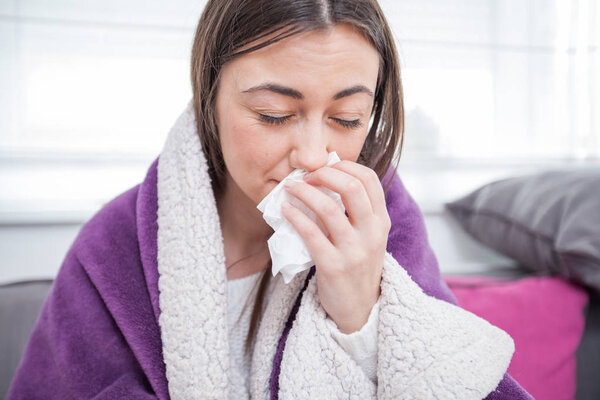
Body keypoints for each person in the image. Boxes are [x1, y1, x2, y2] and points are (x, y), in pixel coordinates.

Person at [8, 0, 533, 399]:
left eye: (347, 119)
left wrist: (362, 315)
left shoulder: (386, 221)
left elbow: (460, 379)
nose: (311, 155)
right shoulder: (114, 246)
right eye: (273, 115)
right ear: (209, 94)